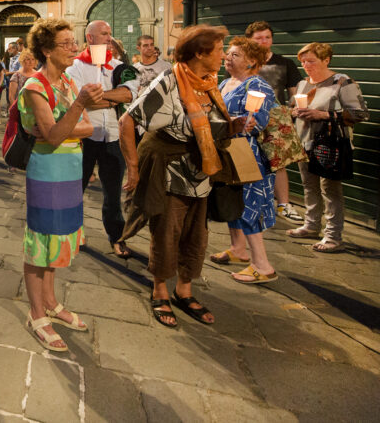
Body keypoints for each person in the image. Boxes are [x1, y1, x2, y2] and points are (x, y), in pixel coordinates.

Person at [120, 25, 242, 329]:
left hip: (203, 171)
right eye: (219, 49)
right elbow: (126, 121)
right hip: (170, 171)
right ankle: (160, 289)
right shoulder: (168, 81)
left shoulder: (209, 83)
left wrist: (232, 127)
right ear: (200, 53)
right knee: (167, 231)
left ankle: (184, 290)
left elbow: (207, 125)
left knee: (196, 235)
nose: (224, 55)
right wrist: (133, 168)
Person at [18, 18, 102, 351]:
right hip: (48, 172)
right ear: (46, 50)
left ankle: (51, 301)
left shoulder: (66, 81)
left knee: (58, 237)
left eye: (74, 42)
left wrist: (68, 123)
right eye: (66, 44)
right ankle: (36, 312)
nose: (75, 49)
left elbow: (88, 128)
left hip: (70, 169)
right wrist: (77, 108)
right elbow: (53, 136)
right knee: (41, 241)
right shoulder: (34, 86)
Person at [66, 21, 139, 259]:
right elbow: (76, 99)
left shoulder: (119, 67)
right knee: (76, 189)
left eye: (110, 33)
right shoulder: (75, 66)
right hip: (85, 137)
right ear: (90, 37)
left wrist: (98, 97)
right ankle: (73, 232)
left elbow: (129, 94)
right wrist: (112, 99)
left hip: (113, 137)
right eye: (104, 34)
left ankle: (117, 237)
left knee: (112, 191)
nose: (109, 38)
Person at [288, 42, 369, 253]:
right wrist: (295, 112)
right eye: (303, 61)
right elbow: (295, 106)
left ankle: (333, 236)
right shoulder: (304, 83)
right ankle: (311, 224)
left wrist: (324, 115)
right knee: (309, 185)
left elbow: (360, 113)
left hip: (330, 144)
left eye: (311, 61)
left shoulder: (342, 82)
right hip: (304, 141)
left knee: (330, 190)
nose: (306, 65)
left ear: (326, 60)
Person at [209, 37, 279, 283]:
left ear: (252, 61)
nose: (228, 58)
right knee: (233, 199)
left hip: (246, 154)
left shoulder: (258, 85)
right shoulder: (226, 82)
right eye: (228, 53)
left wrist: (246, 121)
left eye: (235, 55)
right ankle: (238, 250)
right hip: (227, 150)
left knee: (249, 205)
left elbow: (256, 123)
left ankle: (263, 265)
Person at [245, 21, 304, 223]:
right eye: (259, 38)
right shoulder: (244, 62)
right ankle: (255, 204)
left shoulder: (285, 63)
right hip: (249, 119)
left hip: (276, 119)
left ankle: (283, 204)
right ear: (250, 41)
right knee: (251, 161)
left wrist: (294, 109)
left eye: (267, 37)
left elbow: (295, 93)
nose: (264, 41)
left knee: (279, 164)